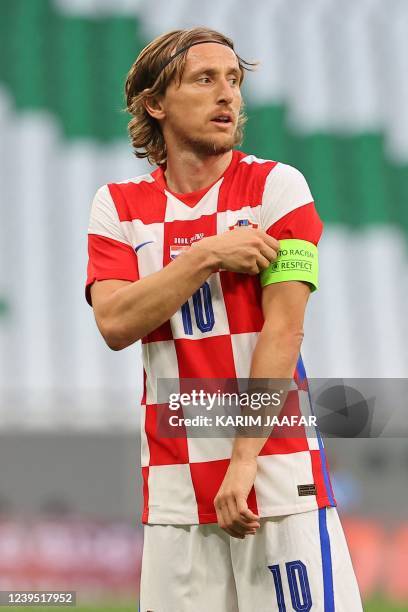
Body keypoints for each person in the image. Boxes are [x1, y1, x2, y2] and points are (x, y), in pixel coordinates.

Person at [85, 27, 362, 612]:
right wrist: (208, 254)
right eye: (205, 80)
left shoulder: (279, 188)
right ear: (155, 103)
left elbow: (284, 331)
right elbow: (113, 323)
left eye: (234, 80)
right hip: (174, 486)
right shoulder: (118, 206)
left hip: (278, 473)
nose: (228, 96)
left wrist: (244, 462)